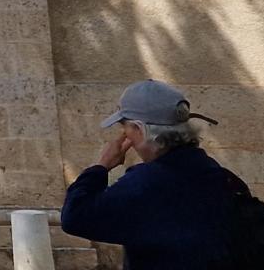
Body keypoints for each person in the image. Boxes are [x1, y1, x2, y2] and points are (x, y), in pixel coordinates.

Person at [60, 79, 237, 268]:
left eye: (125, 127)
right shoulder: (217, 174)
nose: (124, 135)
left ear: (140, 130)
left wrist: (101, 166)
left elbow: (75, 216)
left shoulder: (145, 185)